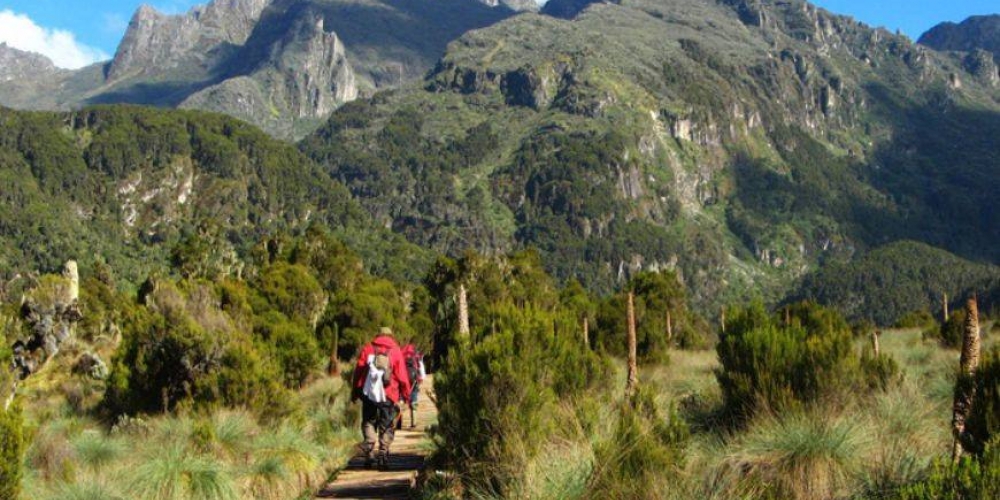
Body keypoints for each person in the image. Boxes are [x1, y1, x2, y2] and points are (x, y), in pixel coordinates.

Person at [351, 327, 411, 469]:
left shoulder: (368, 348)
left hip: (369, 394)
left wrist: (355, 392)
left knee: (369, 421)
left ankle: (369, 451)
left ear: (378, 335)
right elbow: (402, 376)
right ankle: (383, 455)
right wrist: (406, 396)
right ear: (391, 336)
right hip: (389, 395)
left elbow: (358, 371)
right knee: (387, 424)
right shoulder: (395, 350)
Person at [401, 342, 426, 429]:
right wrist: (420, 379)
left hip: (403, 382)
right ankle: (413, 423)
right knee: (414, 401)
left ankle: (397, 422)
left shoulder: (402, 355)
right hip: (414, 382)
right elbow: (422, 371)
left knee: (401, 401)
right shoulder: (416, 356)